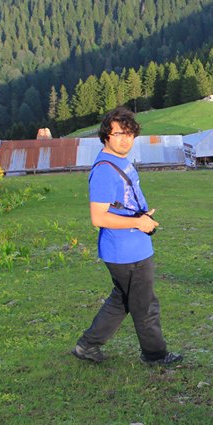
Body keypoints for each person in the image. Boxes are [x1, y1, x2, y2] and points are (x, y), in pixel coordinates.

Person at [71, 107, 182, 366]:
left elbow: (124, 201)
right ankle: (155, 355)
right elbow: (98, 217)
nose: (125, 139)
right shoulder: (104, 170)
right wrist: (137, 223)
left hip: (134, 245)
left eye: (130, 134)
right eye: (119, 134)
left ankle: (87, 346)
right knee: (145, 305)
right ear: (106, 135)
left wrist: (143, 218)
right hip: (124, 252)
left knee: (122, 299)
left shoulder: (122, 161)